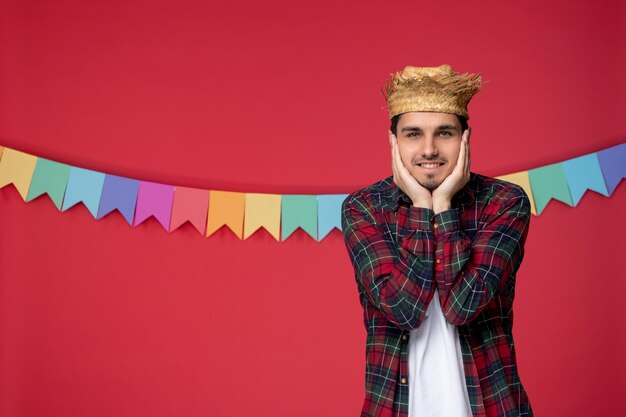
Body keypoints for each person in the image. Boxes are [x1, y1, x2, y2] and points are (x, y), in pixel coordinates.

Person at [340, 64, 534, 417]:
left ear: (465, 138)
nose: (429, 149)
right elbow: (403, 310)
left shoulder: (504, 202)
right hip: (396, 407)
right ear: (393, 141)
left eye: (443, 133)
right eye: (413, 134)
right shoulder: (365, 208)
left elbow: (462, 306)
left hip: (492, 406)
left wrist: (441, 206)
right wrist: (420, 205)